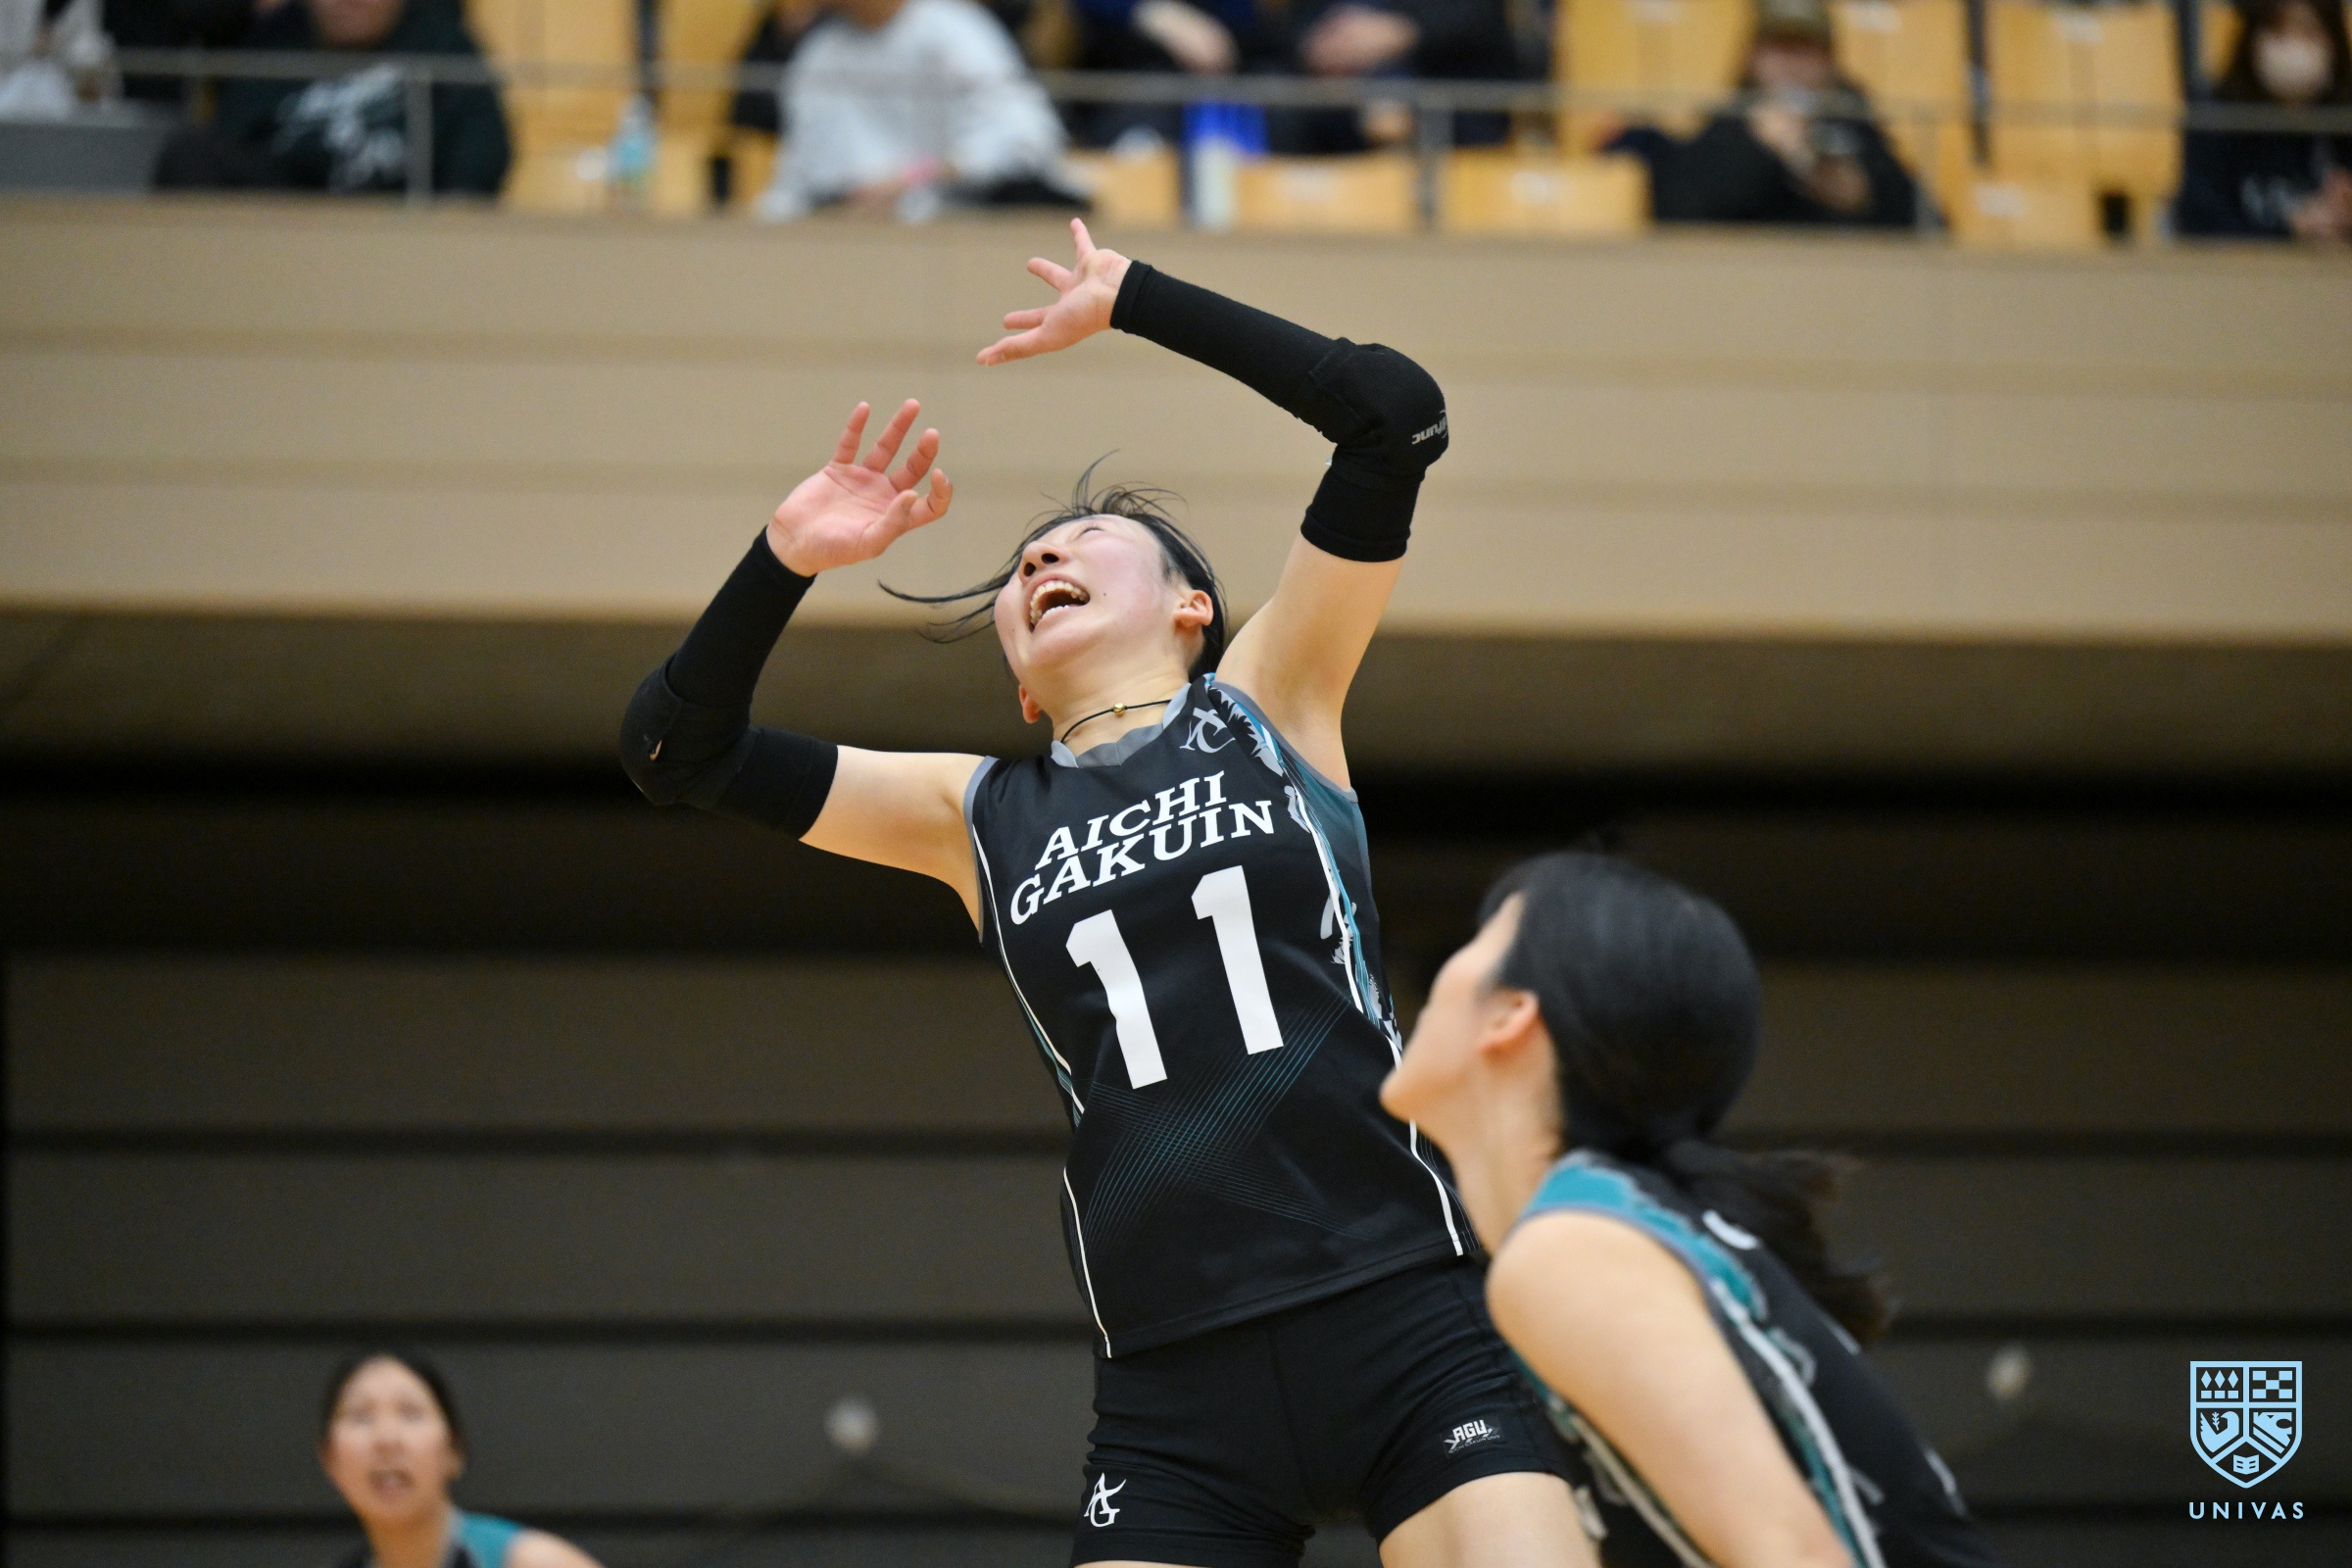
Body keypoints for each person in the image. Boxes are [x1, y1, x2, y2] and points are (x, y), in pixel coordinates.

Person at [619, 219, 1590, 1568]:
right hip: (1174, 1387)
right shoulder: (974, 814)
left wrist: (1135, 297)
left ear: (1192, 609)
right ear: (1020, 682)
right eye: (1022, 568)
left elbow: (1395, 418)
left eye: (1081, 540)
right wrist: (783, 558)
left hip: (1407, 1314)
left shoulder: (1271, 702)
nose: (1038, 564)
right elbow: (673, 750)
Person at [1382, 853, 2006, 1568]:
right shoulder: (1615, 1228)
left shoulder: (1572, 1249)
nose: (1440, 973)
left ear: (1512, 1014)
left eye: (1480, 938)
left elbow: (1794, 1557)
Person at [753, 0, 1083, 220]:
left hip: (960, 225)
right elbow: (796, 177)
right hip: (852, 232)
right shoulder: (821, 52)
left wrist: (914, 177)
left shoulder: (955, 30)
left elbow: (1028, 137)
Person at [1609, 0, 1921, 229]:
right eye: (1779, 48)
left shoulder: (1854, 123)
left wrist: (1860, 195)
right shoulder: (1730, 122)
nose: (1791, 65)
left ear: (1830, 62)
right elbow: (1675, 212)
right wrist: (1759, 149)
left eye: (1806, 49)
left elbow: (1927, 222)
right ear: (1752, 57)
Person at [151, 0, 510, 196]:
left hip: (398, 232)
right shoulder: (279, 40)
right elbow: (230, 135)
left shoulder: (441, 43)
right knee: (188, 155)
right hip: (284, 232)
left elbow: (482, 149)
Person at [320, 1349, 602, 1568]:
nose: (386, 1439)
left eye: (410, 1413)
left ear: (454, 1450)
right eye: (360, 1416)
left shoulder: (532, 1561)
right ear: (329, 1458)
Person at [2176, 0, 2352, 241]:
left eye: (2310, 32)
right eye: (2278, 32)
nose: (2295, 48)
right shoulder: (2214, 119)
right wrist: (2292, 230)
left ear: (2334, 43)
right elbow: (2198, 224)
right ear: (2252, 38)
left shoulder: (2343, 121)